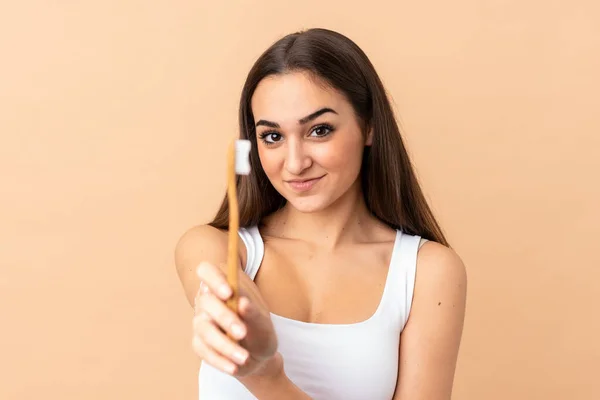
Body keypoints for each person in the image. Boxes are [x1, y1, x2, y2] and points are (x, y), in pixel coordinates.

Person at [175, 28, 467, 400]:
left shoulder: (427, 272)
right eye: (273, 137)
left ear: (370, 126)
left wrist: (265, 375)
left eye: (319, 130)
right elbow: (219, 290)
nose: (295, 163)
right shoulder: (217, 249)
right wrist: (232, 318)